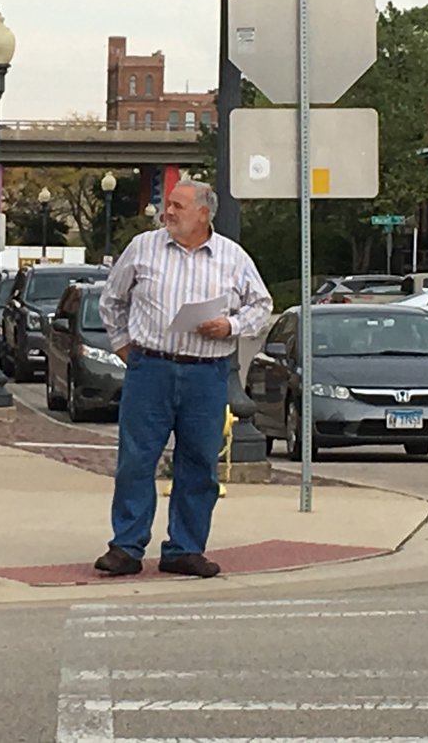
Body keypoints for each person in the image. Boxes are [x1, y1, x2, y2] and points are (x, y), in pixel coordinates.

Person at [94, 179, 273, 578]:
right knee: (137, 460)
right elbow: (112, 300)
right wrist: (125, 347)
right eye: (167, 204)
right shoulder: (144, 247)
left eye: (177, 206)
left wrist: (229, 325)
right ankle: (126, 546)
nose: (167, 212)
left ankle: (185, 549)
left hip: (206, 374)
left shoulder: (232, 257)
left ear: (204, 213)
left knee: (199, 462)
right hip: (150, 369)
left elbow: (262, 306)